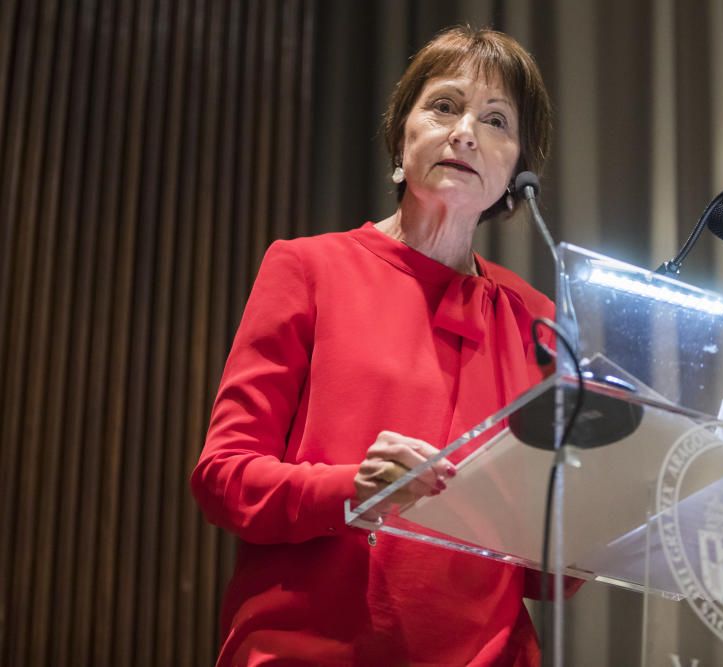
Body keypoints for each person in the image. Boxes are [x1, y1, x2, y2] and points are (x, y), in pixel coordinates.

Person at [191, 25, 559, 666]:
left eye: (496, 119)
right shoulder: (308, 268)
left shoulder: (536, 319)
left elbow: (548, 569)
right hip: (308, 649)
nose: (465, 131)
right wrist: (350, 491)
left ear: (515, 172)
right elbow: (224, 478)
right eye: (444, 106)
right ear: (401, 140)